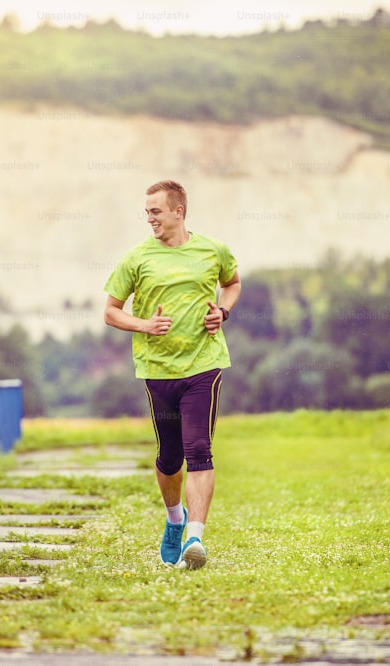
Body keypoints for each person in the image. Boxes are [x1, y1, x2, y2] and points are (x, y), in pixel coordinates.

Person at [103, 180, 241, 570]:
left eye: (156, 211)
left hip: (204, 363)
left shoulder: (213, 250)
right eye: (147, 212)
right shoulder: (137, 258)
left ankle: (195, 539)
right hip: (157, 369)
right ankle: (175, 519)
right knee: (169, 457)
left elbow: (231, 284)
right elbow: (111, 311)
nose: (150, 218)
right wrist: (145, 326)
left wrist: (223, 311)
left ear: (178, 211)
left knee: (199, 449)